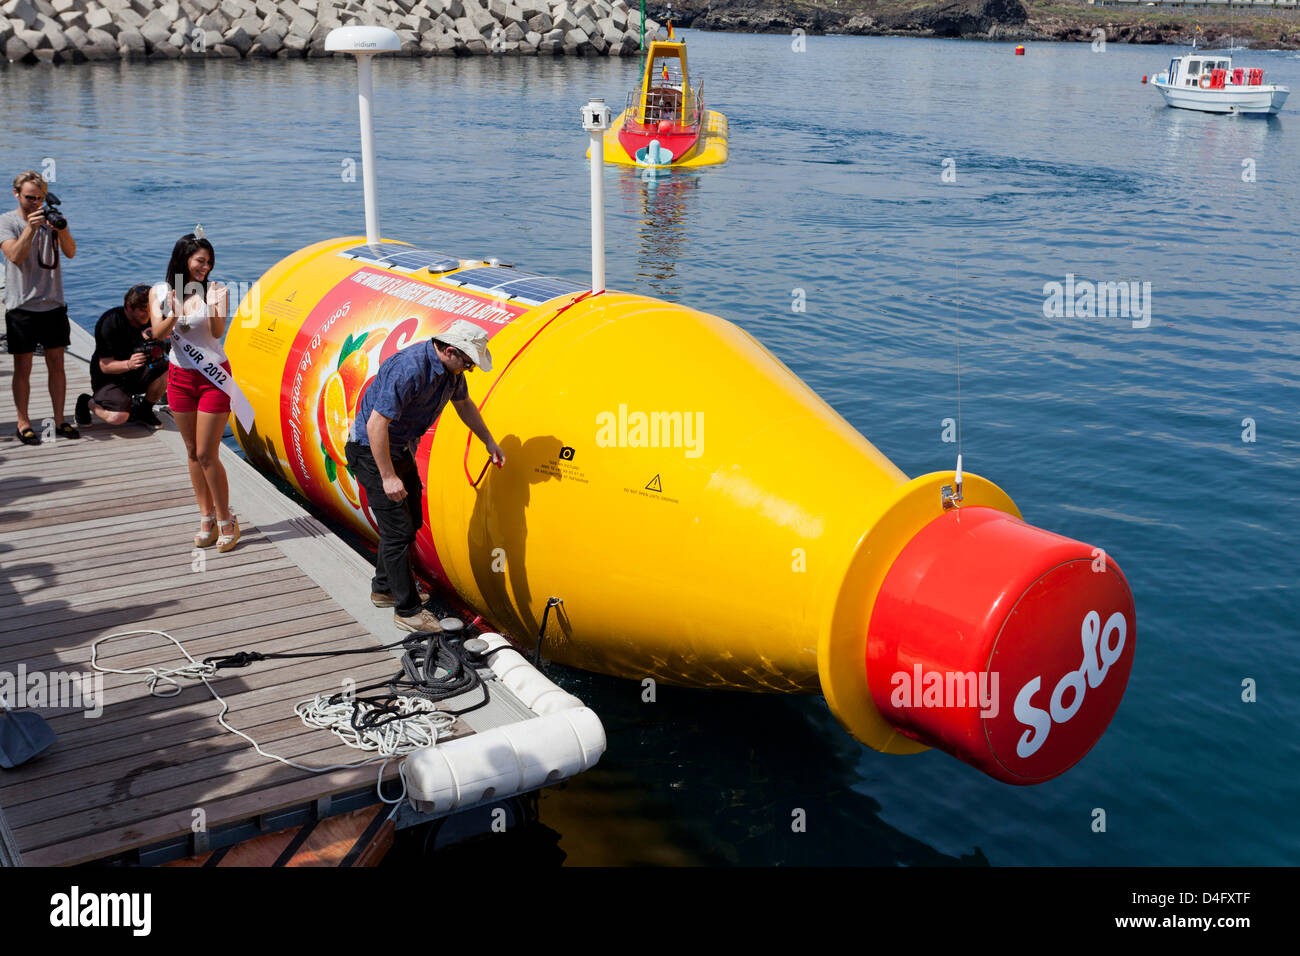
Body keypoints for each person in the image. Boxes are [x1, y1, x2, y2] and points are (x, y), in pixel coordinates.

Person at [344, 319, 506, 632]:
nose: (469, 370)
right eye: (468, 364)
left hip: (399, 447)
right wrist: (388, 476)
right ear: (449, 351)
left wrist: (488, 440)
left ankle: (383, 588)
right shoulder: (410, 368)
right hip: (372, 450)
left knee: (412, 520)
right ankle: (407, 612)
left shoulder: (452, 371)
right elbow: (377, 425)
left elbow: (464, 405)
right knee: (398, 530)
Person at [150, 232, 239, 553]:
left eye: (209, 261)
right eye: (200, 260)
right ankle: (206, 517)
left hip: (213, 378)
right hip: (179, 379)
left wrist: (216, 307)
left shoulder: (217, 291)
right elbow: (159, 333)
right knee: (191, 451)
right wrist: (173, 310)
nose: (206, 266)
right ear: (184, 259)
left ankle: (227, 518)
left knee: (206, 453)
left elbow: (216, 332)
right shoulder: (160, 291)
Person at [1, 171, 78, 444]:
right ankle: (23, 423)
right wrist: (31, 229)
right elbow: (15, 255)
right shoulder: (7, 222)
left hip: (53, 305)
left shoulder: (51, 221)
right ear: (16, 194)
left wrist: (63, 229)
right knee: (23, 367)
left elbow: (70, 252)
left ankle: (60, 420)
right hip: (22, 307)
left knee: (57, 364)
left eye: (40, 198)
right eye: (29, 198)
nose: (35, 204)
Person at [76, 284, 170, 429]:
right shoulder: (110, 321)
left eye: (151, 311)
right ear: (129, 307)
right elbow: (105, 366)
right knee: (118, 418)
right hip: (110, 377)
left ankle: (144, 410)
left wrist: (161, 334)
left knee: (170, 368)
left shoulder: (153, 318)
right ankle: (86, 401)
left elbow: (180, 332)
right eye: (143, 311)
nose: (148, 316)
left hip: (140, 372)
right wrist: (128, 364)